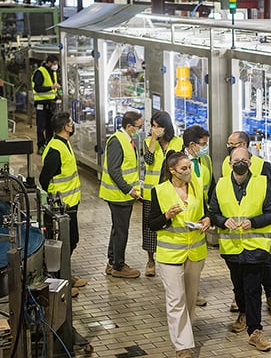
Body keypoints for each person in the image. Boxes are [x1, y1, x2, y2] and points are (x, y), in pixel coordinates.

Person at [210, 146, 271, 352]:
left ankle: (255, 331)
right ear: (230, 164)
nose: (240, 164)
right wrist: (223, 221)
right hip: (232, 248)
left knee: (253, 289)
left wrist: (254, 222)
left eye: (244, 161)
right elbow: (213, 212)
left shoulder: (261, 184)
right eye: (236, 161)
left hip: (255, 248)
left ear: (250, 163)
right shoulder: (221, 185)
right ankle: (243, 312)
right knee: (238, 287)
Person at [147, 150, 210, 358]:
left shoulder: (197, 186)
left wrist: (207, 220)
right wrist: (167, 215)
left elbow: (205, 211)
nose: (188, 171)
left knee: (190, 298)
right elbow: (152, 224)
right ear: (172, 170)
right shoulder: (160, 191)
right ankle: (182, 346)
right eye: (184, 168)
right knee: (176, 299)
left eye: (189, 167)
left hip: (195, 252)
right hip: (171, 255)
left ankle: (186, 333)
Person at [222, 131, 271, 315]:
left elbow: (270, 197)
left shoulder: (262, 166)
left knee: (263, 263)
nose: (229, 147)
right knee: (238, 272)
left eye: (232, 144)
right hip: (235, 232)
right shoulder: (227, 164)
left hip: (257, 228)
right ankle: (238, 299)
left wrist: (256, 220)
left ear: (243, 145)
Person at [39, 112, 86, 298]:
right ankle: (61, 279)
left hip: (70, 202)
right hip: (62, 206)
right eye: (71, 123)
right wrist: (54, 198)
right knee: (67, 241)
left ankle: (65, 273)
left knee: (70, 241)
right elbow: (44, 178)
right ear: (66, 127)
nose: (73, 125)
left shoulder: (63, 143)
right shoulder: (55, 149)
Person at [100, 110, 143, 279]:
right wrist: (128, 189)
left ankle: (112, 262)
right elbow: (114, 170)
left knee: (117, 229)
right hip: (118, 195)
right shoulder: (117, 141)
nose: (140, 129)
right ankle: (118, 266)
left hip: (123, 195)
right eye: (138, 126)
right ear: (129, 126)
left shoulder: (127, 140)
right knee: (121, 230)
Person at [141, 110, 183, 277]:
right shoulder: (147, 141)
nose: (155, 129)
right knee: (150, 226)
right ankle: (151, 260)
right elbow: (149, 160)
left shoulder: (178, 142)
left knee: (171, 224)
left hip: (171, 191)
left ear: (167, 127)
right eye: (152, 126)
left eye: (158, 127)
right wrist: (153, 138)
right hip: (151, 192)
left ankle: (172, 256)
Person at [182, 125, 215, 307]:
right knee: (184, 258)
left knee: (198, 258)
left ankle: (195, 291)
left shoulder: (206, 160)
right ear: (192, 144)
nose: (205, 147)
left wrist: (210, 213)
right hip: (183, 215)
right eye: (202, 144)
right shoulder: (176, 160)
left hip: (201, 214)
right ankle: (185, 293)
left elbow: (211, 186)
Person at [32, 55, 62, 155]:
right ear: (48, 63)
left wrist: (58, 92)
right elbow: (37, 88)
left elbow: (55, 87)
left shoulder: (53, 72)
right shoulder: (40, 72)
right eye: (54, 64)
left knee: (50, 126)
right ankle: (40, 146)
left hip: (51, 104)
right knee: (41, 127)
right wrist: (51, 86)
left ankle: (49, 145)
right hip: (41, 105)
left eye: (56, 64)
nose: (55, 66)